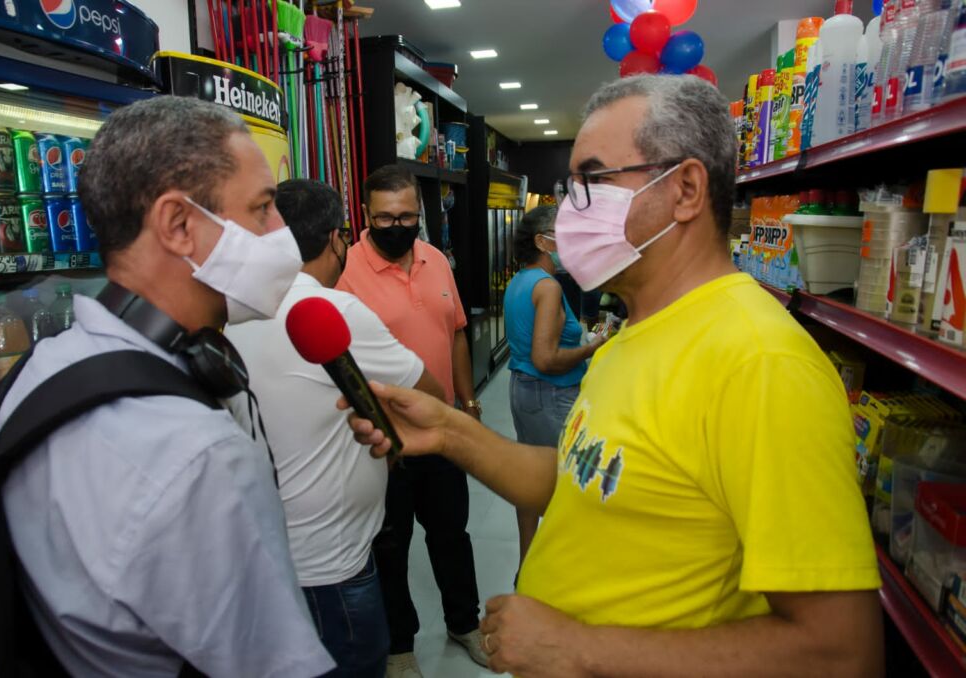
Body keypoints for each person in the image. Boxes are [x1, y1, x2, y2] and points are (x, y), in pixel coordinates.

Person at [343, 75, 883, 677]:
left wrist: (577, 648)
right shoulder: (636, 332)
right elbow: (586, 478)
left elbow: (841, 653)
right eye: (569, 185)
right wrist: (448, 430)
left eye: (592, 181)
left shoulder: (760, 364)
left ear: (684, 189)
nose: (571, 208)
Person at [0, 97, 335, 677]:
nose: (282, 234)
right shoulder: (199, 457)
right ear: (179, 225)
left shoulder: (43, 367)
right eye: (263, 209)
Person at [225, 179, 445, 677]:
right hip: (332, 560)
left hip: (266, 546)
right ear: (335, 238)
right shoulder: (334, 310)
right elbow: (430, 396)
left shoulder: (237, 312)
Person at [337, 165, 486, 676]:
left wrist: (468, 405)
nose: (397, 226)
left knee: (453, 535)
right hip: (385, 441)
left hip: (444, 431)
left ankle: (465, 624)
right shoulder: (345, 272)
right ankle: (400, 645)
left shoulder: (437, 260)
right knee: (390, 546)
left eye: (407, 216)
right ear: (364, 214)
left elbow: (458, 334)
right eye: (385, 217)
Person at [504, 205, 603, 568]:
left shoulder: (520, 280)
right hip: (550, 394)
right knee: (566, 489)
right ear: (542, 242)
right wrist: (592, 347)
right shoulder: (546, 287)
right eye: (561, 234)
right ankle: (558, 572)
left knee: (530, 482)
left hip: (523, 391)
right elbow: (546, 358)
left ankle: (527, 567)